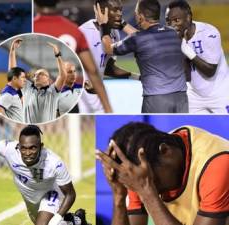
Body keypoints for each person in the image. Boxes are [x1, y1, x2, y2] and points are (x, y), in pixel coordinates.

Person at [96, 122, 229, 225]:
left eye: (152, 181)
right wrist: (119, 194)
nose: (146, 185)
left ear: (165, 151)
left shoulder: (217, 164)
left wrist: (146, 192)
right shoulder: (140, 170)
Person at [0, 125, 89, 225]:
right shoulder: (9, 149)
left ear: (41, 146)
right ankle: (76, 220)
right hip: (30, 199)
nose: (28, 153)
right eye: (24, 148)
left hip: (50, 193)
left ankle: (67, 219)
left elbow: (70, 194)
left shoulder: (54, 163)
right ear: (18, 146)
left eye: (33, 148)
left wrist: (58, 217)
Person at [97, 0, 189, 113]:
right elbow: (144, 38)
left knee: (155, 130)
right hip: (181, 98)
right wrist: (121, 22)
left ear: (140, 17)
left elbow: (108, 48)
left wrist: (103, 25)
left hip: (156, 100)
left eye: (136, 13)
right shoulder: (174, 33)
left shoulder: (138, 39)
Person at [34, 0, 113, 113]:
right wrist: (108, 109)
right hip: (67, 102)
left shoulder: (30, 28)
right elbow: (92, 71)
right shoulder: (74, 31)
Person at [166, 0, 229, 114]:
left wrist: (187, 51)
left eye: (176, 20)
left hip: (220, 92)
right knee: (190, 125)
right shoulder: (172, 40)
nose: (172, 25)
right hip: (194, 94)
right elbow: (186, 77)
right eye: (168, 21)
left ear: (188, 18)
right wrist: (179, 47)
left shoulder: (209, 32)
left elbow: (210, 71)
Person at [78, 0, 137, 113]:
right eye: (115, 10)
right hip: (81, 99)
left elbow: (109, 67)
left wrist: (137, 77)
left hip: (99, 98)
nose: (119, 14)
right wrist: (82, 83)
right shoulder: (83, 33)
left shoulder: (114, 33)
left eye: (121, 10)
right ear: (101, 11)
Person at [9, 38, 67, 123]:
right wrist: (13, 50)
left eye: (41, 74)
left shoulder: (52, 92)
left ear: (49, 79)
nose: (37, 76)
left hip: (46, 129)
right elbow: (13, 72)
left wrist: (58, 55)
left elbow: (63, 75)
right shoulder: (27, 88)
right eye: (35, 75)